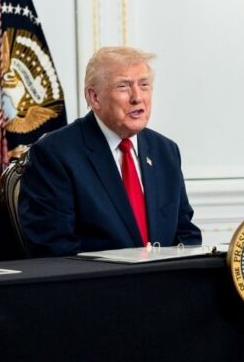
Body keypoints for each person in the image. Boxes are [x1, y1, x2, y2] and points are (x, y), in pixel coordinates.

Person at [17, 46, 202, 257]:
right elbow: (53, 249)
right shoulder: (55, 154)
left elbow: (186, 234)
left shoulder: (165, 151)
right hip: (97, 287)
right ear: (94, 97)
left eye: (144, 85)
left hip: (165, 285)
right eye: (124, 86)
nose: (137, 97)